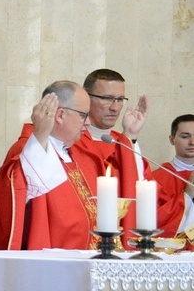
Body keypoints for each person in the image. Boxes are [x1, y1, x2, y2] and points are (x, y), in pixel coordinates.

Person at [0, 80, 105, 250]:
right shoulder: (28, 151)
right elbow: (19, 196)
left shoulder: (75, 154)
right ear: (60, 115)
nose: (88, 123)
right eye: (83, 115)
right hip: (50, 263)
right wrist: (40, 133)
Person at [73, 69, 151, 236]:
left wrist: (130, 135)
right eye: (107, 99)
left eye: (120, 99)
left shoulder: (122, 142)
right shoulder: (71, 142)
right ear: (86, 97)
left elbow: (142, 192)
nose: (115, 107)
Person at [152, 114, 194, 249]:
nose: (192, 142)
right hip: (175, 253)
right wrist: (187, 195)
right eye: (185, 136)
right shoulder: (157, 178)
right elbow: (155, 222)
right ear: (172, 139)